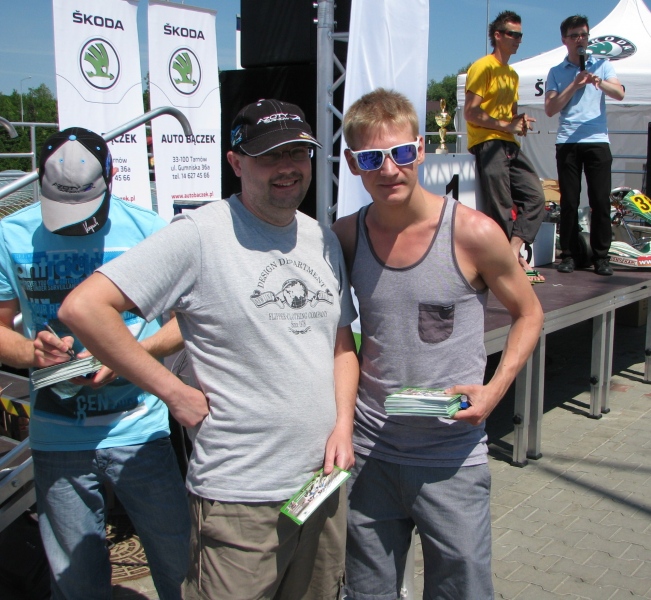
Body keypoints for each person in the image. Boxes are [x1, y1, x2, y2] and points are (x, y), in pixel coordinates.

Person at [58, 99, 359, 600]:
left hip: (322, 485)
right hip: (240, 499)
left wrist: (344, 424)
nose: (287, 167)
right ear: (236, 162)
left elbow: (341, 345)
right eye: (270, 155)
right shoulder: (200, 234)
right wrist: (173, 393)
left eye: (297, 153)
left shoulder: (321, 238)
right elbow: (85, 308)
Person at [332, 88, 543, 600]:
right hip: (370, 452)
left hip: (451, 454)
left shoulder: (473, 233)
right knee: (367, 593)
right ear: (353, 164)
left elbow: (529, 313)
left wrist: (494, 391)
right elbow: (334, 335)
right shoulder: (345, 237)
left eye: (402, 153)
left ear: (421, 149)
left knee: (461, 591)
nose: (389, 170)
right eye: (372, 158)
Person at [0, 128, 190, 599]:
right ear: (40, 180)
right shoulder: (11, 234)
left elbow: (186, 323)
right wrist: (32, 353)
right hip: (56, 436)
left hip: (142, 432)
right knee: (76, 584)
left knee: (181, 570)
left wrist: (128, 357)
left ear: (112, 176)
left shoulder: (148, 229)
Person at [465, 10, 547, 283]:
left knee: (536, 197)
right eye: (513, 34)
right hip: (488, 143)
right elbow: (470, 112)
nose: (518, 39)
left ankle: (512, 253)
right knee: (500, 205)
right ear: (497, 35)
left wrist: (519, 123)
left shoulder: (512, 74)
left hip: (508, 142)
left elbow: (509, 118)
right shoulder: (483, 67)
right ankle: (508, 264)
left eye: (520, 35)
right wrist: (507, 125)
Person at [545, 14, 625, 276]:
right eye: (574, 35)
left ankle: (601, 257)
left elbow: (620, 93)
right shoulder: (556, 72)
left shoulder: (602, 65)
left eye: (583, 35)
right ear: (564, 40)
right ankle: (569, 254)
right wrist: (574, 84)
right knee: (569, 201)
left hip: (597, 140)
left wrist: (597, 81)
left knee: (600, 200)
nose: (580, 40)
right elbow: (550, 108)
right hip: (568, 141)